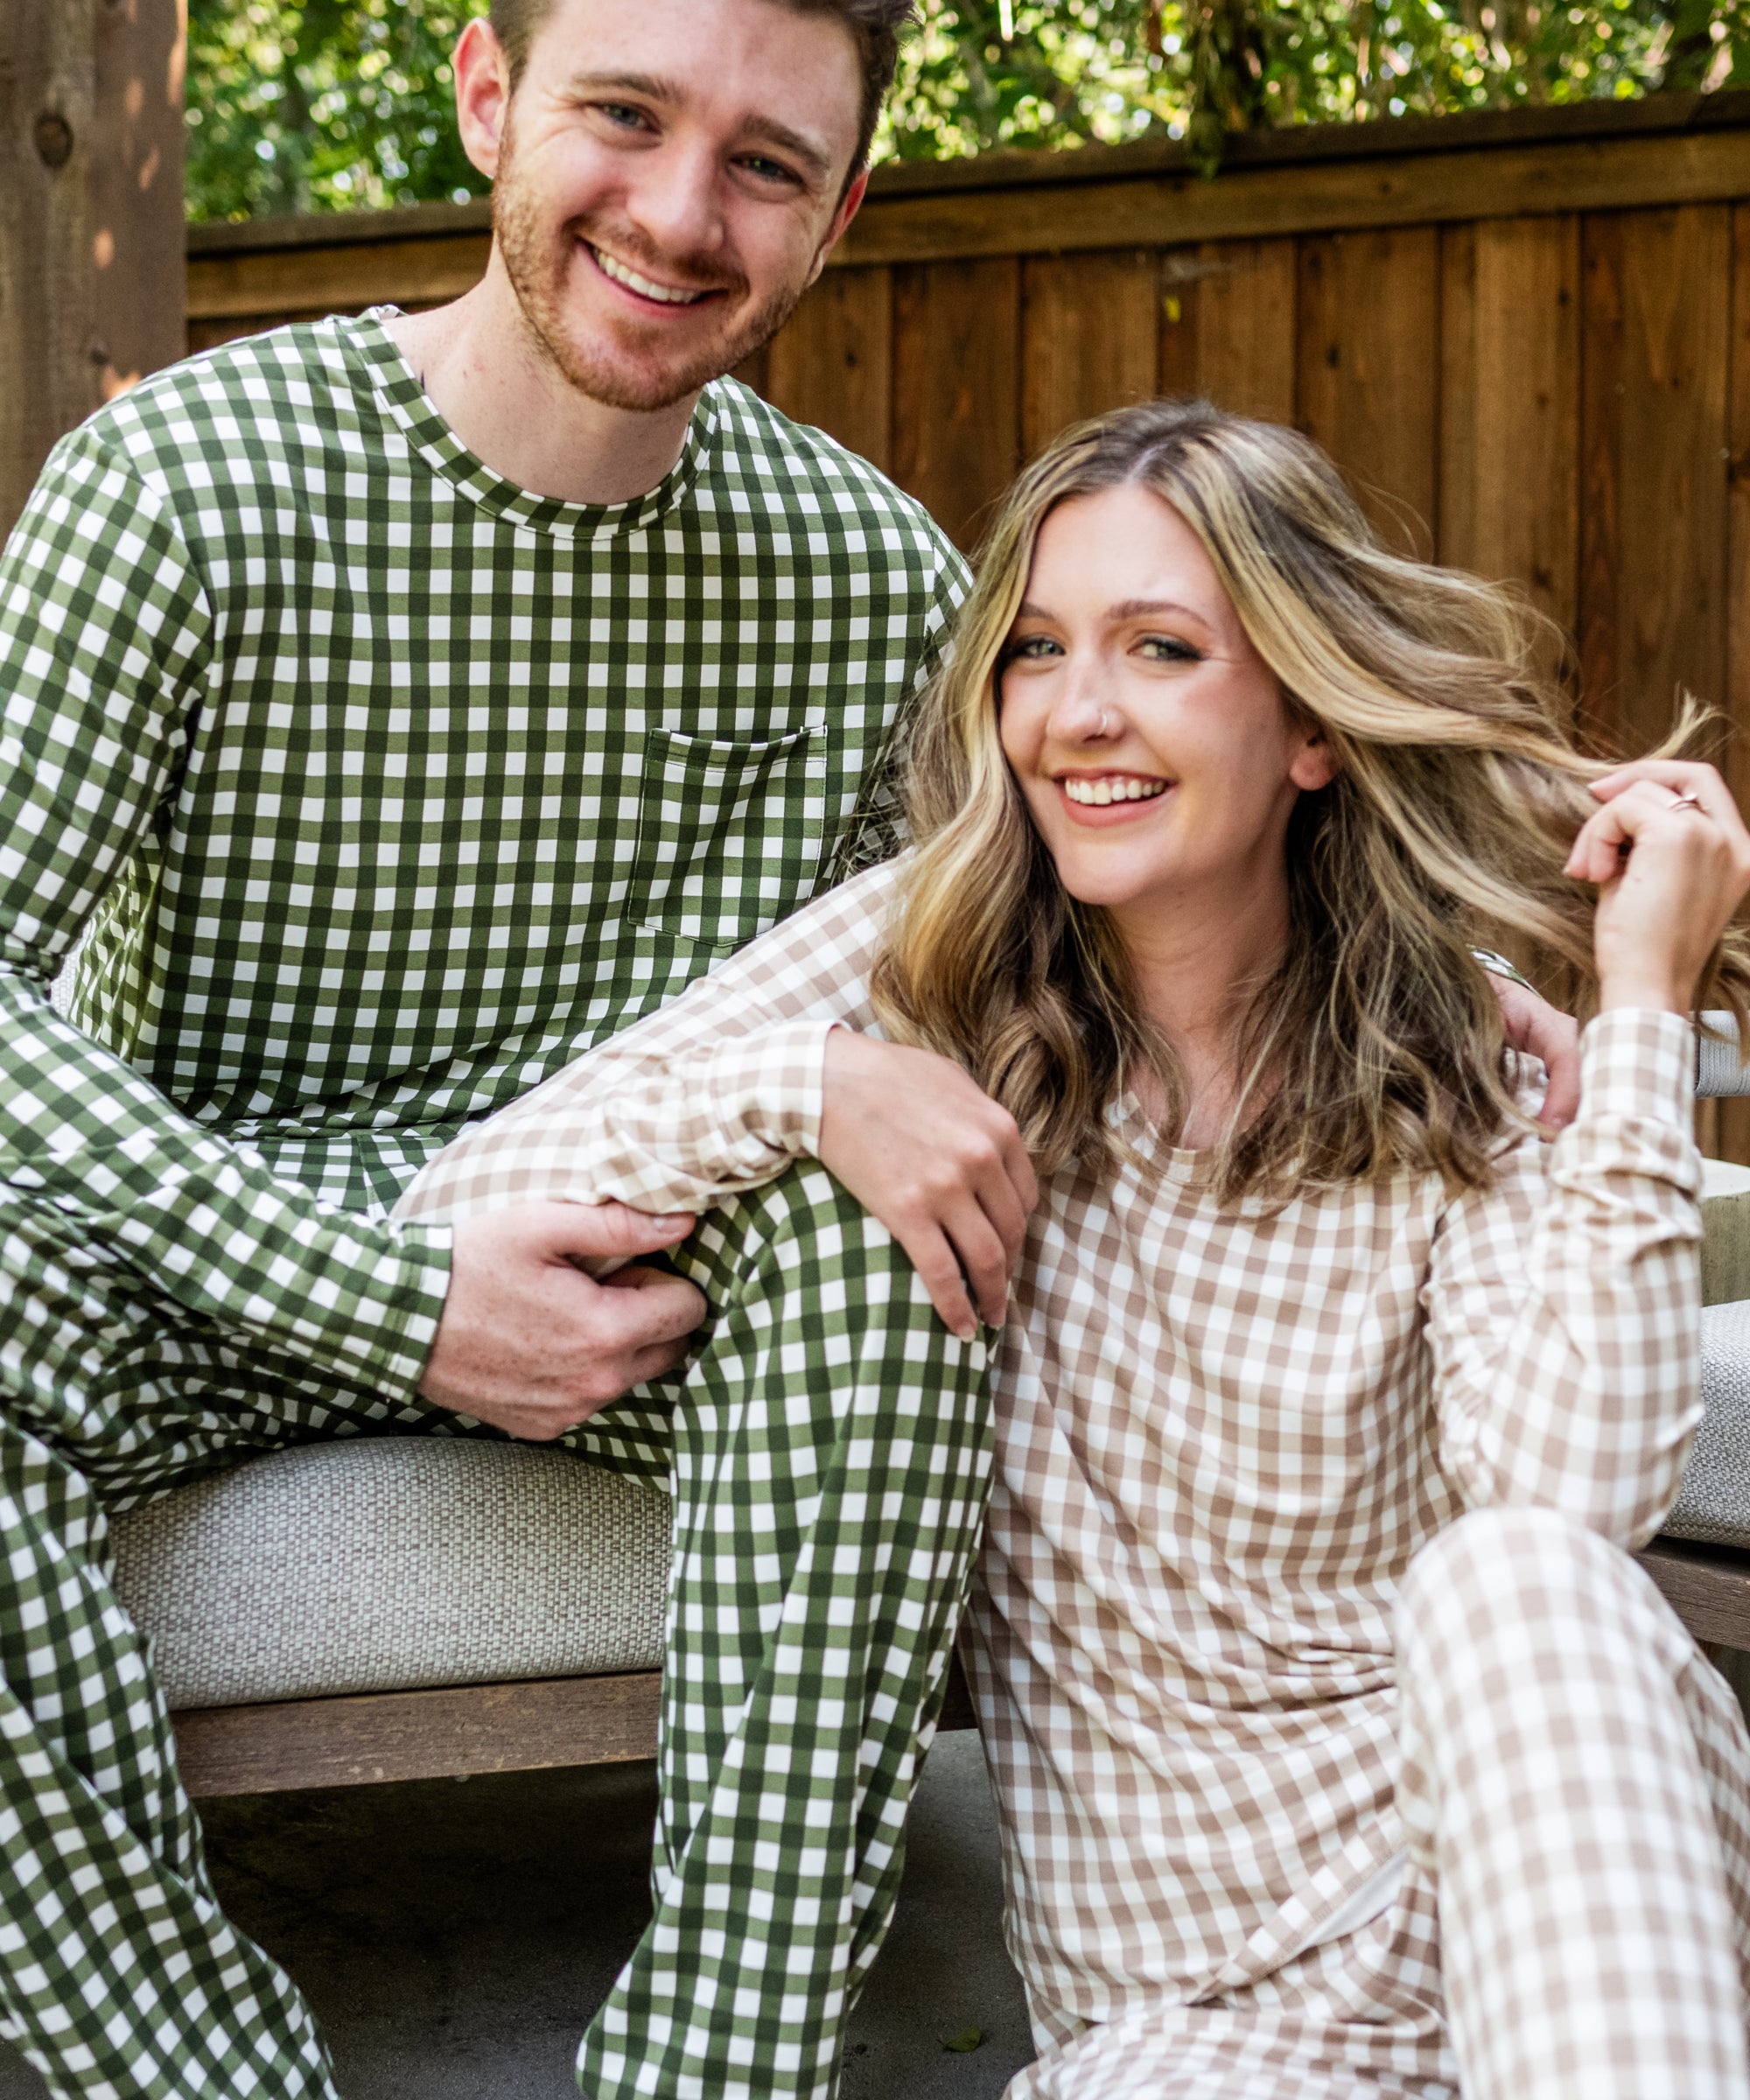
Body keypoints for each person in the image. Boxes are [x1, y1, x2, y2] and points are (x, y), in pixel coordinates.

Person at [402, 396, 1750, 2100]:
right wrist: (806, 1086)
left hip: (1525, 1939)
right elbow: (460, 1199)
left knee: (1516, 1579)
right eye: (1036, 651)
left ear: (1310, 728)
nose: (1078, 713)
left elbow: (1578, 1498)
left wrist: (1640, 1009)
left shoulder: (1440, 1069)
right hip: (1189, 2032)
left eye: (1162, 646)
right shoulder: (923, 977)